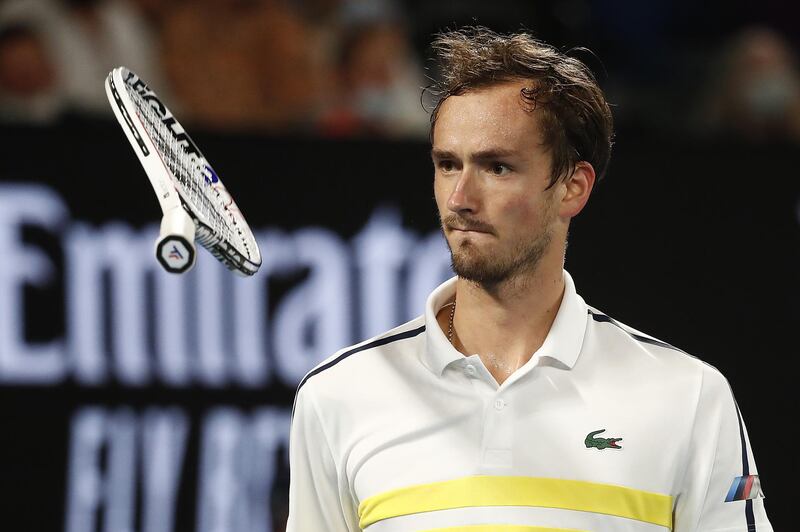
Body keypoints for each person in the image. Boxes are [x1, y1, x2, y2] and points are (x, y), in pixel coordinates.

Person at [286, 26, 773, 532]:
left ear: (572, 187)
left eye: (497, 167)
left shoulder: (689, 396)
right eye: (447, 165)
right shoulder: (337, 395)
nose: (460, 199)